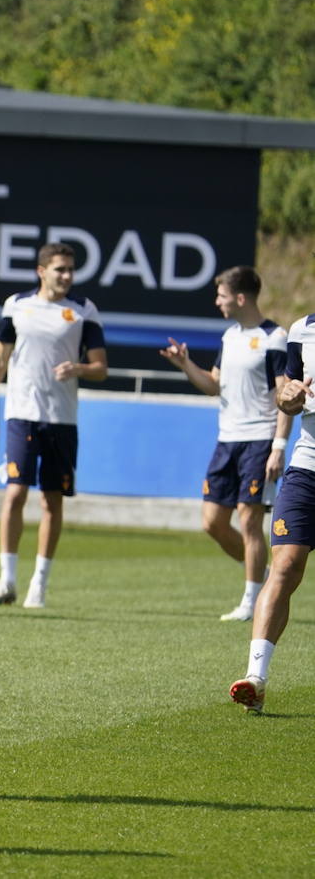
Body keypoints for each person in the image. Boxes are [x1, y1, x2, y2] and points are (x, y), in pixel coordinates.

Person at [0, 242, 107, 609]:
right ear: (41, 271)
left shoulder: (83, 310)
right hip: (21, 412)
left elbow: (101, 367)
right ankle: (6, 579)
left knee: (52, 500)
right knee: (15, 492)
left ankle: (39, 583)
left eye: (70, 270)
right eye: (59, 269)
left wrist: (78, 368)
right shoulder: (16, 305)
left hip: (61, 419)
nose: (66, 276)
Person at [158, 266, 290, 621]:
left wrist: (279, 444)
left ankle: (250, 601)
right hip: (226, 440)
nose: (217, 302)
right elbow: (214, 384)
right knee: (212, 522)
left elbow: (284, 394)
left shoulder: (275, 337)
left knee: (249, 520)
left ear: (241, 298)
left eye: (222, 295)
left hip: (259, 439)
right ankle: (260, 578)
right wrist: (185, 364)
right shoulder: (229, 337)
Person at [230, 322, 315, 714]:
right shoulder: (303, 330)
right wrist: (290, 395)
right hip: (306, 469)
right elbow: (286, 398)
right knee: (284, 566)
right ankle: (256, 678)